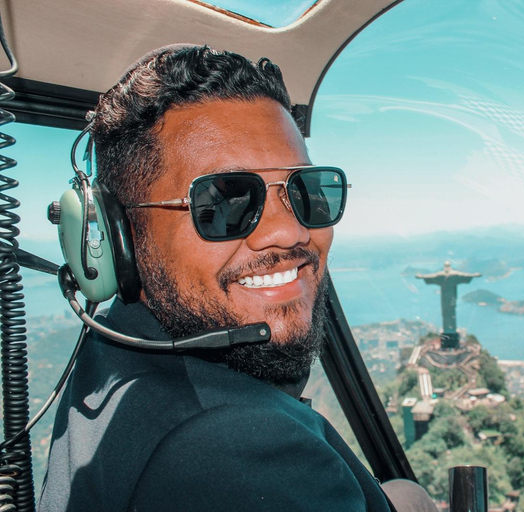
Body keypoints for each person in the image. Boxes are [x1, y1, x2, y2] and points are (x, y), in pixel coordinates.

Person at [38, 44, 437, 512]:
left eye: (306, 189)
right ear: (119, 235)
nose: (290, 231)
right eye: (223, 202)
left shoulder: (114, 346)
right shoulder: (234, 449)